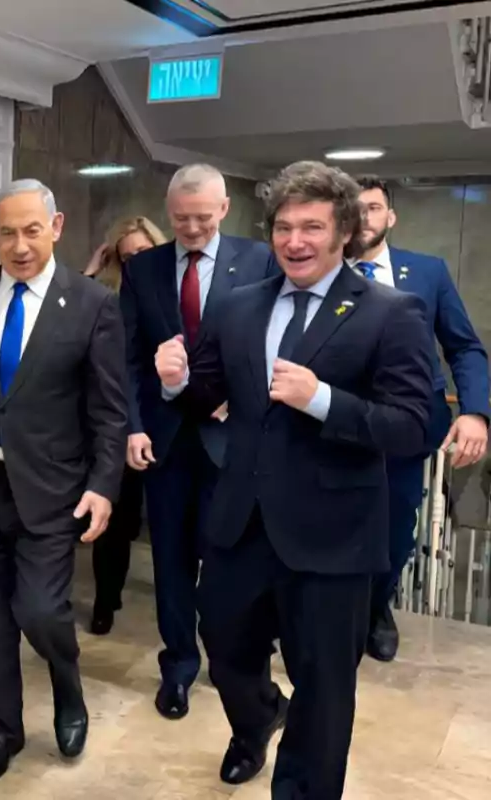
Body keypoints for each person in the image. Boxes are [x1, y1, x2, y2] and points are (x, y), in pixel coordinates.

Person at [155, 161, 434, 799]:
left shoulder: (392, 312)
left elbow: (416, 427)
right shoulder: (239, 305)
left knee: (325, 690)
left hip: (333, 538)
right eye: (284, 226)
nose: (295, 241)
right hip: (242, 523)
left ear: (344, 231)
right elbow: (210, 394)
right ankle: (257, 718)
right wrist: (176, 383)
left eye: (312, 226)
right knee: (221, 645)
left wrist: (325, 402)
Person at [0, 179, 128, 782]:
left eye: (31, 230)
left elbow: (109, 411)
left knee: (40, 611)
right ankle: (5, 728)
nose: (19, 245)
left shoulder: (92, 304)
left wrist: (103, 485)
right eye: (7, 233)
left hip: (53, 491)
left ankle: (68, 684)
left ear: (57, 226)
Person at [119, 164, 278, 720]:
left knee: (232, 560)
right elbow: (129, 357)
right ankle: (179, 666)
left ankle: (235, 662)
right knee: (170, 561)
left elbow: (276, 340)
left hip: (231, 441)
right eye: (181, 218)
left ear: (225, 209)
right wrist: (134, 425)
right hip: (165, 440)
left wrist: (249, 393)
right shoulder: (143, 268)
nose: (191, 228)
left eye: (202, 218)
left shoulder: (259, 261)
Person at [350, 176, 489, 662]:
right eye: (354, 208)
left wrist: (474, 412)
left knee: (394, 530)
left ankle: (374, 608)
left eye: (373, 207)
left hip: (406, 428)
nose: (363, 217)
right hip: (332, 425)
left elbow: (464, 346)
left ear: (390, 217)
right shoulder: (319, 270)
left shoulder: (427, 272)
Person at [82, 216, 166, 634]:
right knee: (114, 521)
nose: (135, 262)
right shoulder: (108, 294)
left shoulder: (173, 290)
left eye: (143, 253)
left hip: (165, 418)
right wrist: (89, 274)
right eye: (126, 255)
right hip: (118, 419)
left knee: (166, 520)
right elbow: (68, 325)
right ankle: (105, 600)